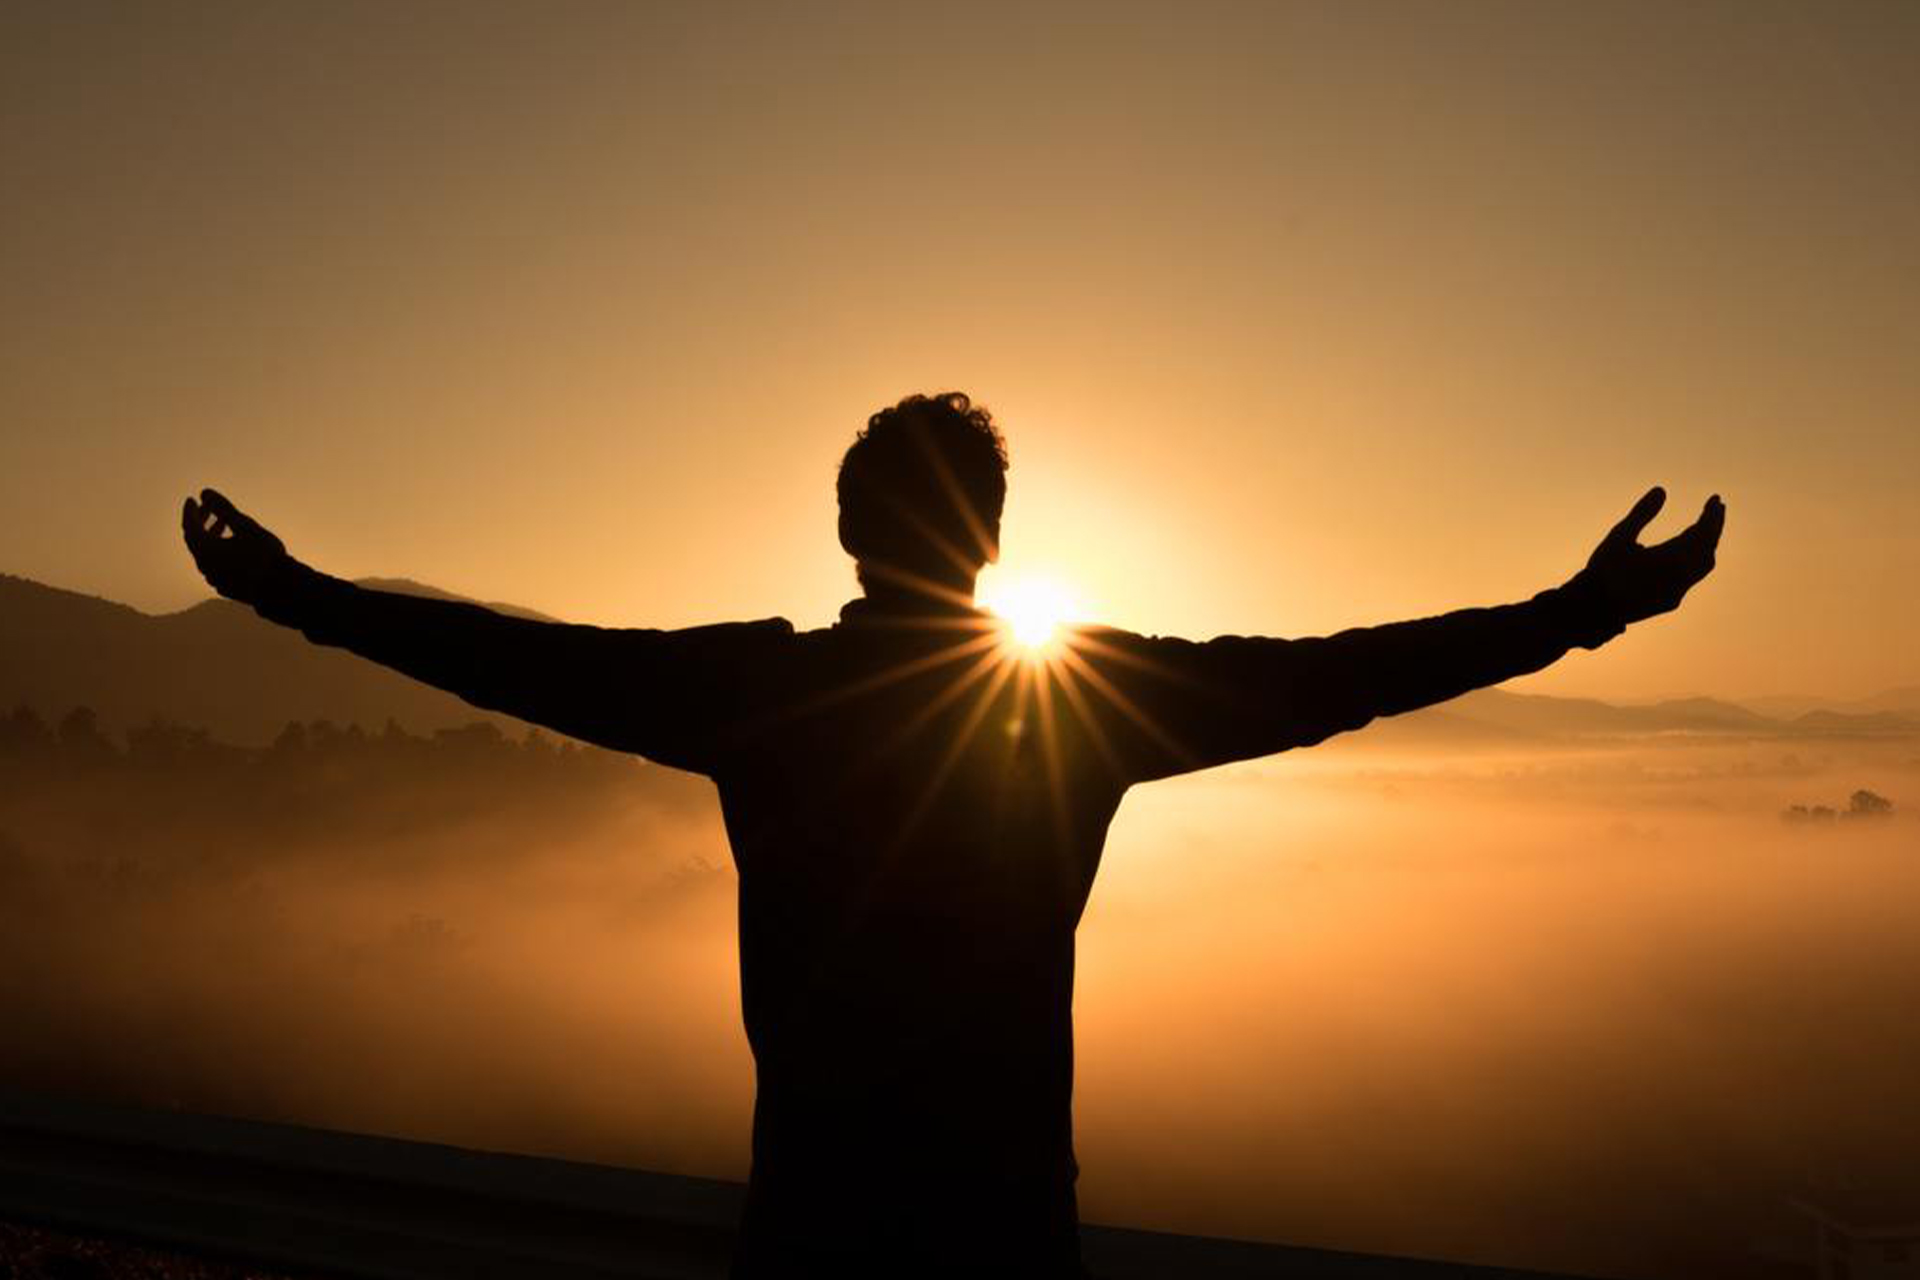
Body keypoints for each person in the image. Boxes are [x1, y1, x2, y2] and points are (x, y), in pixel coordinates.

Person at [181, 392, 1724, 1278]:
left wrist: (295, 597)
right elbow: (1338, 677)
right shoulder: (1082, 706)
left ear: (852, 533)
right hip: (1002, 1234)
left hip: (814, 1227)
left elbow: (521, 659)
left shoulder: (761, 693)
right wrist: (1573, 618)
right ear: (990, 541)